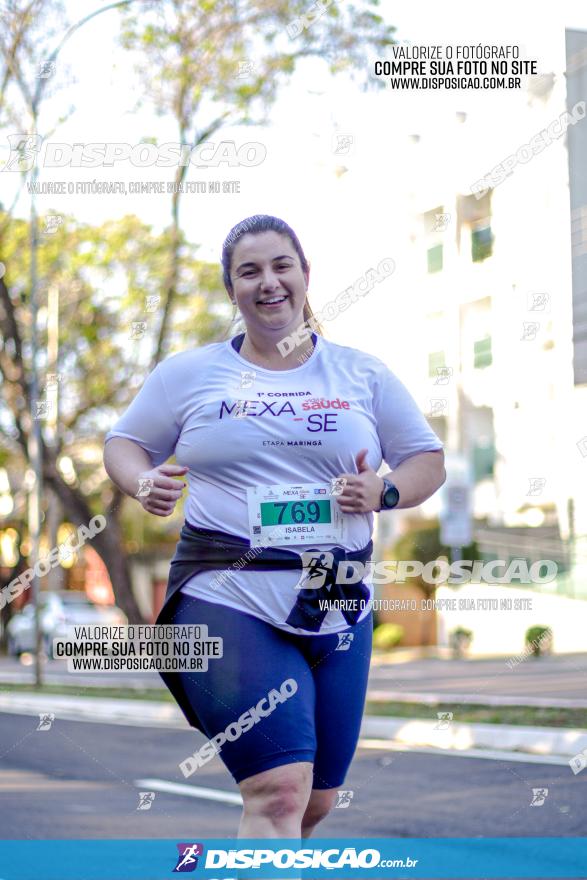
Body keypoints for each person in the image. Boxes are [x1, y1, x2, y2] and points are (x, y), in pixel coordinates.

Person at [103, 214, 446, 841]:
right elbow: (125, 442)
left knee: (315, 800)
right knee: (278, 791)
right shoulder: (189, 374)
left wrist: (386, 490)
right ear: (231, 288)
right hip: (224, 594)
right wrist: (142, 482)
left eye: (281, 266)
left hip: (337, 597)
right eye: (249, 271)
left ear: (305, 275)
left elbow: (428, 460)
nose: (269, 283)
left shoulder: (360, 373)